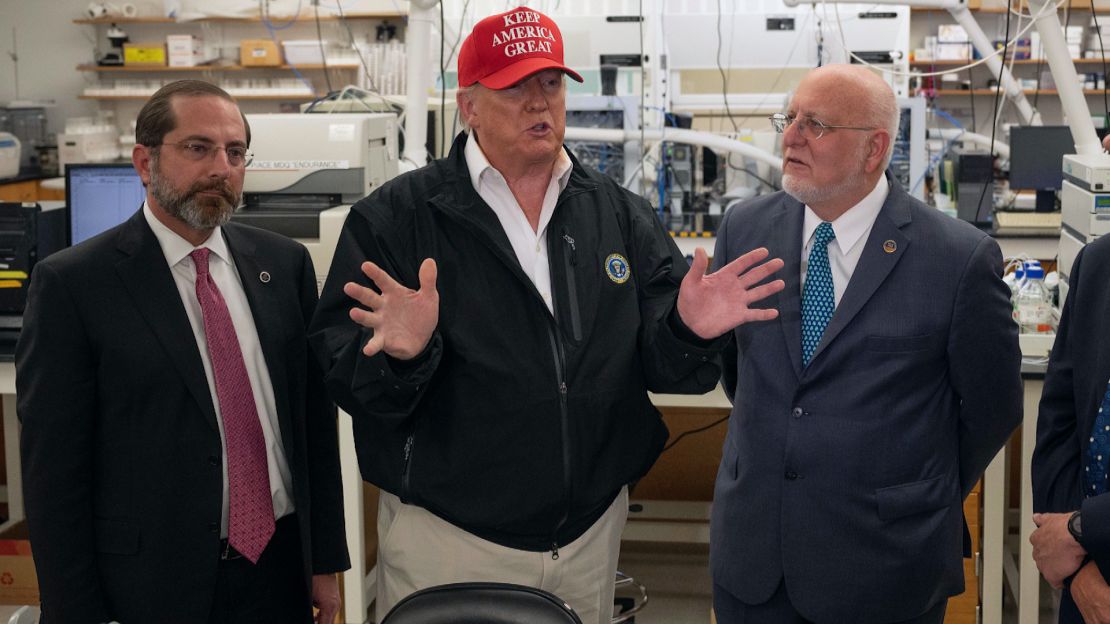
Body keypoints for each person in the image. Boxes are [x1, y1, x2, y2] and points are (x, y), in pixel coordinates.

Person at [307, 6, 784, 623]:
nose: (540, 103)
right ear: (469, 105)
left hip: (587, 538)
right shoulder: (397, 219)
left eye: (552, 84)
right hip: (451, 539)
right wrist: (405, 357)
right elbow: (347, 378)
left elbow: (664, 367)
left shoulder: (617, 212)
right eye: (516, 87)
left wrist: (687, 330)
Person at [17, 80, 349, 624]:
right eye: (199, 148)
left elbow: (313, 427)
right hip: (152, 585)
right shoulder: (75, 285)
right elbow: (54, 478)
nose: (221, 167)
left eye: (235, 152)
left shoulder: (283, 266)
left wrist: (326, 562)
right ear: (144, 162)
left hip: (280, 568)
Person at [709, 64, 1023, 623]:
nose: (791, 137)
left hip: (886, 567)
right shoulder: (743, 231)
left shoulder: (957, 259)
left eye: (816, 124)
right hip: (756, 562)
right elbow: (743, 375)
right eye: (790, 118)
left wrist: (908, 488)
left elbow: (992, 409)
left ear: (874, 148)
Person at [1031, 232, 1110, 622]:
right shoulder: (1098, 263)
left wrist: (1083, 529)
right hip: (1086, 583)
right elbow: (1059, 425)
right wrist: (1076, 572)